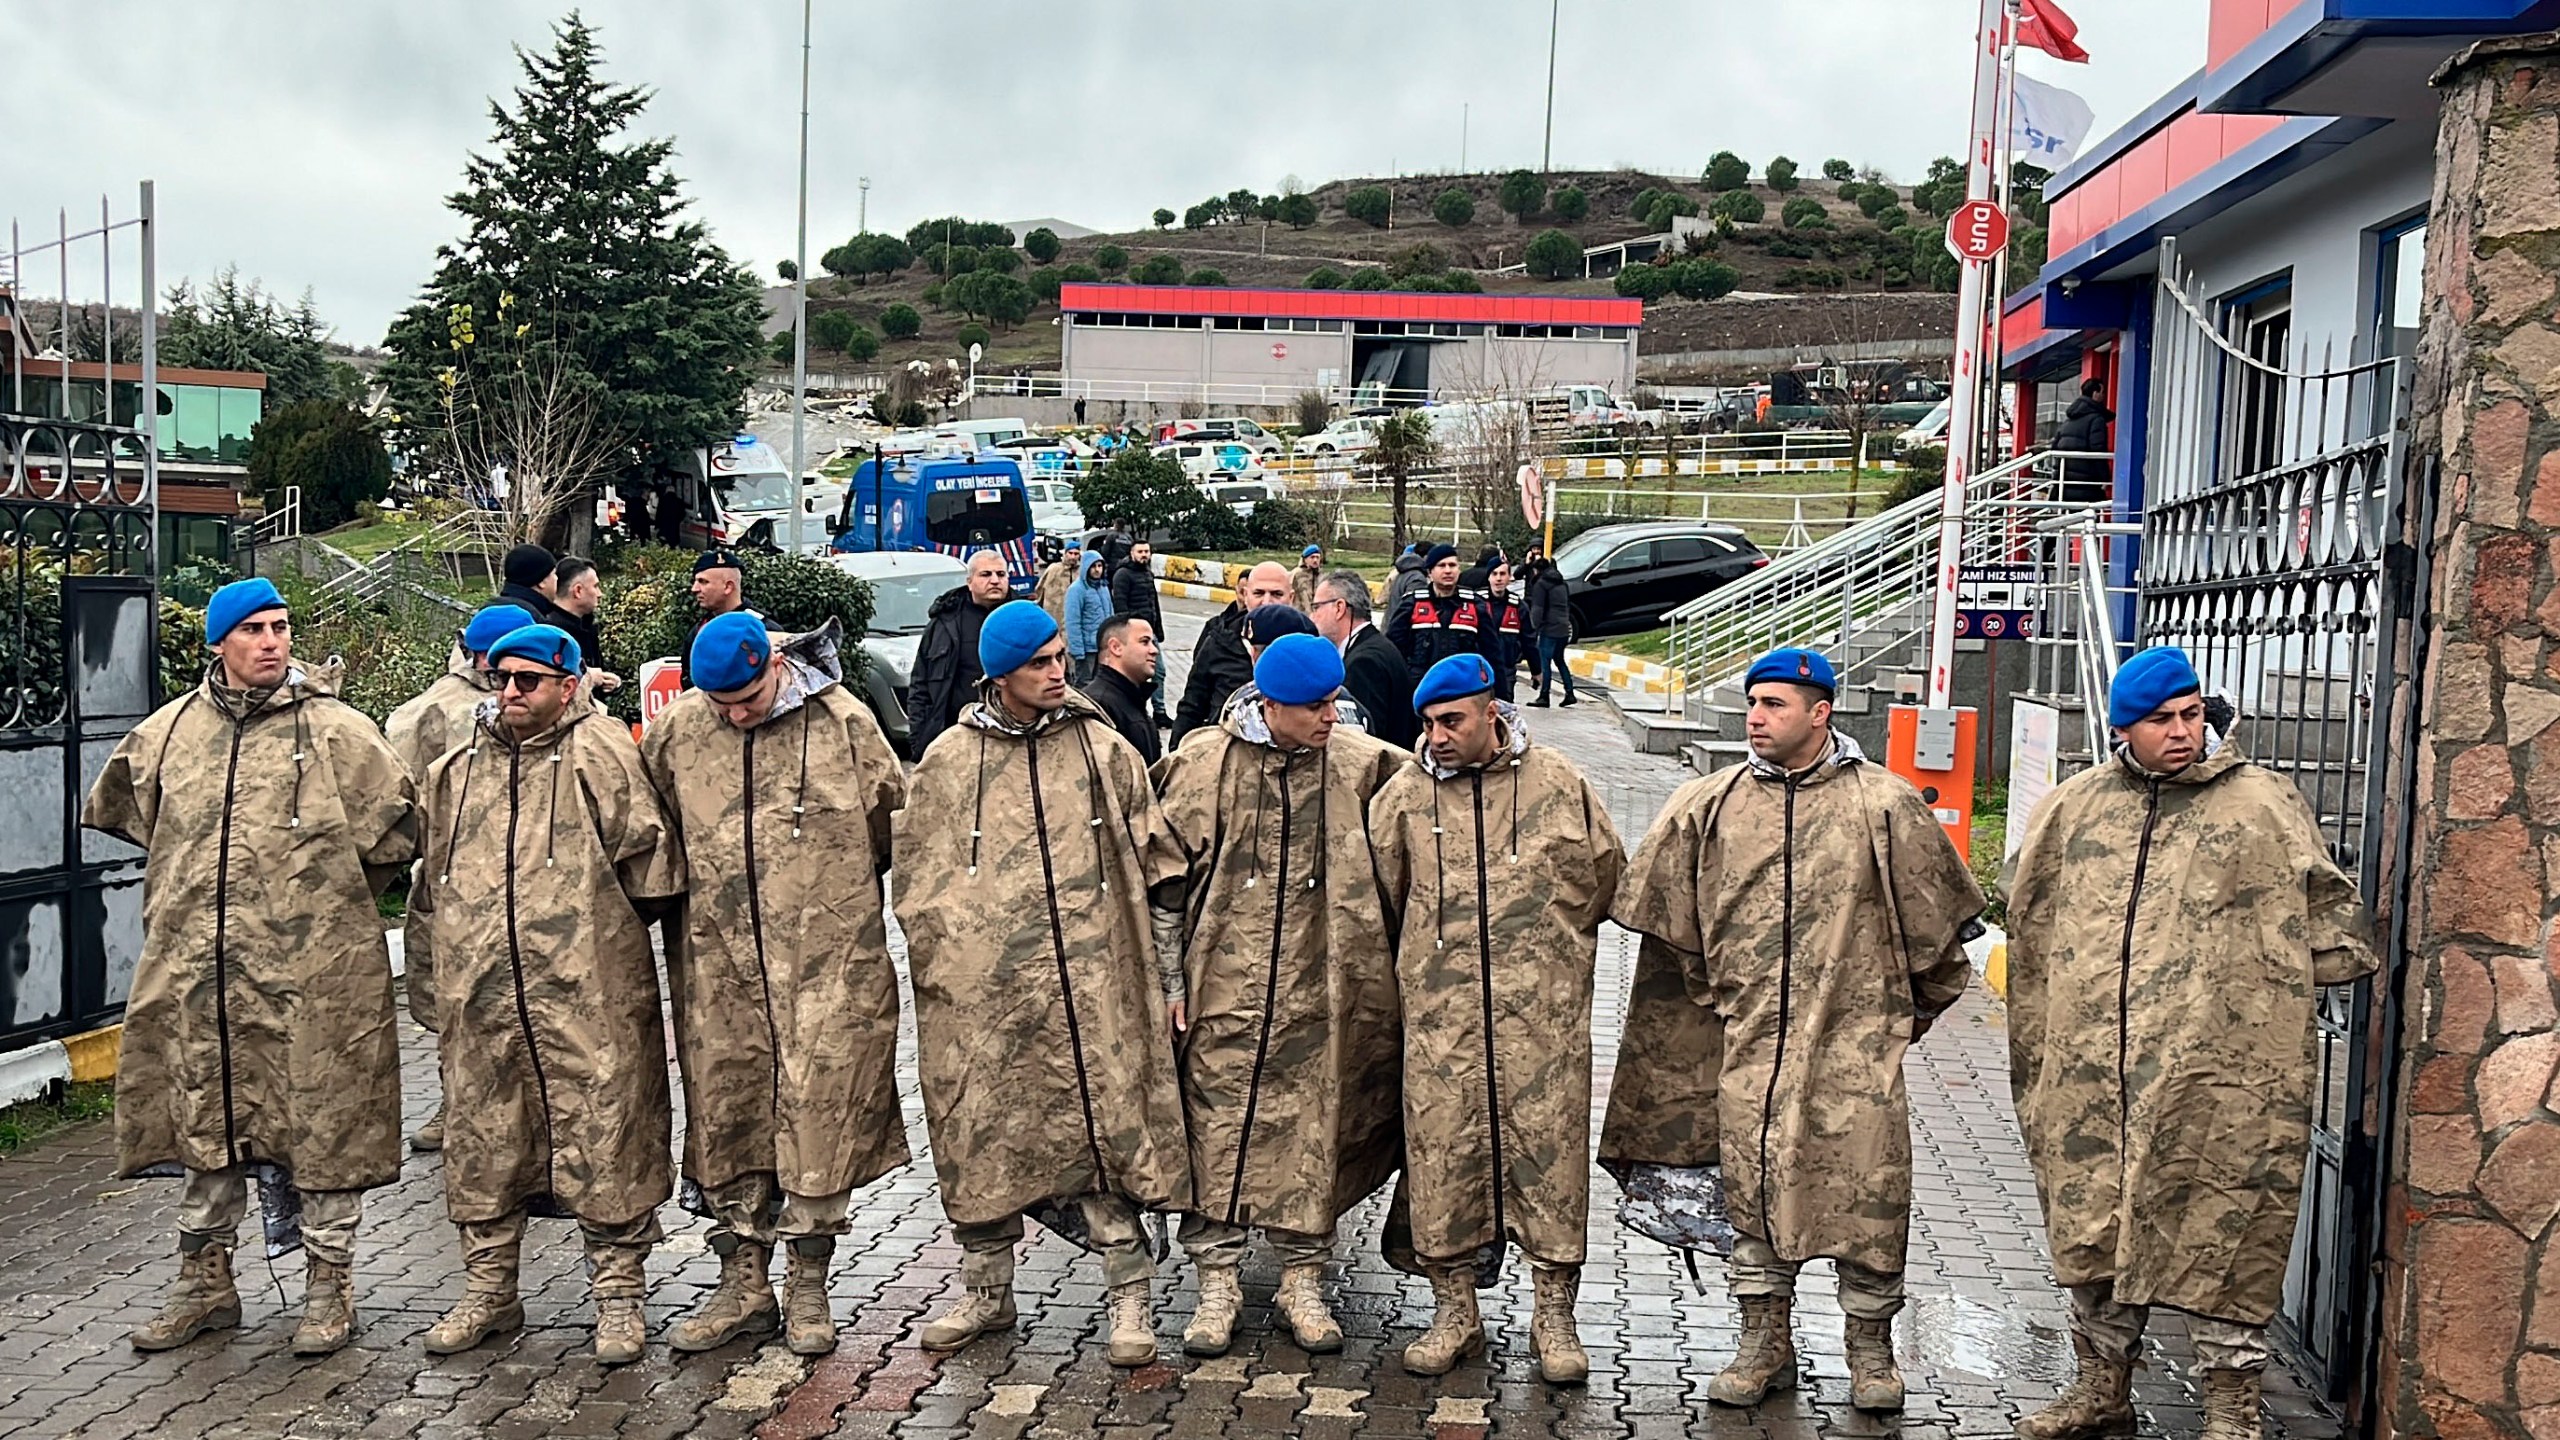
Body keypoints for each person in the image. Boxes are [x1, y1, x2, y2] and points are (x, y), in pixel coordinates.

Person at [2004, 646, 2378, 1440]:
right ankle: (2101, 1389)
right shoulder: (2075, 810)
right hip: (2092, 1068)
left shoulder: (2263, 805)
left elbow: (2338, 932)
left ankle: (2229, 1407)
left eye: (2190, 716)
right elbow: (2030, 927)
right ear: (2122, 730)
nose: (2181, 732)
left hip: (2221, 1074)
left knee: (2226, 1225)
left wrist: (2248, 992)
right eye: (2160, 721)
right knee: (2093, 1222)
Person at [1607, 647, 1984, 1413]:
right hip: (1746, 1052)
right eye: (1752, 702)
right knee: (1753, 1195)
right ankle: (1762, 1343)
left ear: (1821, 712)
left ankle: (1870, 1353)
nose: (1755, 717)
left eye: (1775, 704)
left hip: (1855, 1056)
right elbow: (1671, 941)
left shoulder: (1884, 806)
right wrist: (1722, 1005)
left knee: (1868, 1198)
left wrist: (1887, 1027)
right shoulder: (1708, 807)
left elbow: (1942, 946)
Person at [84, 578, 419, 1357]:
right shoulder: (166, 737)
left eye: (282, 627)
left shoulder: (339, 734)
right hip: (198, 981)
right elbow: (133, 818)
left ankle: (329, 1289)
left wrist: (322, 910)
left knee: (323, 1128)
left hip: (316, 984)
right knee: (205, 1120)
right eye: (254, 630)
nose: (272, 642)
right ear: (218, 643)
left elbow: (398, 834)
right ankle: (204, 1284)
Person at [896, 602, 1188, 1367]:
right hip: (989, 1002)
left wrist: (1164, 975)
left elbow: (1160, 867)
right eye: (1040, 663)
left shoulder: (1103, 750)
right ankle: (987, 1291)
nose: (1059, 672)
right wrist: (951, 970)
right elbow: (919, 886)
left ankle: (1130, 1296)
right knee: (983, 1137)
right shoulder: (951, 764)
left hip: (1096, 991)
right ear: (1000, 674)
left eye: (1062, 656)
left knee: (1107, 1138)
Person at [409, 624, 684, 1366]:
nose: (509, 693)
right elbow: (431, 879)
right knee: (484, 1145)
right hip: (485, 1002)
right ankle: (490, 1291)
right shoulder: (459, 768)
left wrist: (592, 941)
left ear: (570, 684)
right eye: (502, 678)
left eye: (528, 680)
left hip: (587, 998)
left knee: (607, 1139)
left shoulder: (603, 756)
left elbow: (652, 870)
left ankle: (619, 1298)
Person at [641, 614, 909, 1359]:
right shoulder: (679, 734)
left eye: (747, 697)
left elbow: (893, 832)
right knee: (729, 1121)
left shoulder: (844, 725)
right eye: (718, 701)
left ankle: (809, 1279)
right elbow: (655, 837)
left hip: (826, 970)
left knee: (819, 1123)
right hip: (717, 970)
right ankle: (743, 1279)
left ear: (777, 666)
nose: (733, 714)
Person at [1146, 634, 1403, 1358]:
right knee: (1216, 1128)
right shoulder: (1204, 765)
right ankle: (1217, 1279)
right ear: (1269, 705)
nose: (1331, 716)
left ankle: (1301, 1277)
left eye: (1333, 702)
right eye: (1315, 706)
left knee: (1316, 1125)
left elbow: (1431, 805)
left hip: (1322, 989)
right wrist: (1170, 982)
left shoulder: (1358, 764)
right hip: (1221, 987)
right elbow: (1164, 888)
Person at [1370, 654, 1625, 1384]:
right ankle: (1455, 1312)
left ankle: (1555, 1315)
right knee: (1444, 1163)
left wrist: (1554, 965)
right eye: (1427, 723)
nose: (1437, 736)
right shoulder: (1404, 800)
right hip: (1442, 1030)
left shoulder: (1559, 787)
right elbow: (1379, 905)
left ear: (1492, 713)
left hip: (1540, 1031)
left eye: (1452, 721)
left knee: (1550, 1168)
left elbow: (1606, 881)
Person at [384, 601, 536, 1155]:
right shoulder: (434, 712)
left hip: (527, 878)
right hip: (457, 883)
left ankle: (519, 1114)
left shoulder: (543, 700)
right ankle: (460, 1106)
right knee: (458, 1004)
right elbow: (397, 798)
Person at [1171, 561, 1294, 746]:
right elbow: (1192, 706)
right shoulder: (1218, 641)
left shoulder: (1306, 646)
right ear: (1245, 595)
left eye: (1277, 594)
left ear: (1291, 598)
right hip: (1226, 760)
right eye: (1258, 593)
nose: (1267, 602)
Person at [906, 548, 1012, 760]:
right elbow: (920, 683)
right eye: (986, 574)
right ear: (969, 581)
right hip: (954, 738)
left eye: (1001, 574)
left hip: (1010, 736)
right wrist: (919, 737)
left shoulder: (1025, 619)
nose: (994, 580)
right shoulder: (944, 623)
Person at [1314, 569, 1416, 752]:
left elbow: (1362, 740)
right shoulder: (1375, 645)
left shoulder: (1364, 663)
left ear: (1339, 608)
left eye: (1316, 607)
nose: (1312, 616)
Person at [1387, 545, 1482, 690]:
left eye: (1452, 565)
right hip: (1419, 688)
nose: (1448, 570)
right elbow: (1394, 650)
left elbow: (1491, 652)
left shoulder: (1475, 605)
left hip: (1462, 689)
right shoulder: (1412, 603)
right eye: (1441, 566)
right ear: (1430, 572)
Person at [1085, 615, 1163, 765]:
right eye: (1144, 642)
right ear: (1116, 647)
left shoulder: (1132, 698)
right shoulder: (1099, 705)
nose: (1154, 651)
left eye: (1153, 643)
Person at [1111, 540, 1169, 726]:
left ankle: (1159, 711)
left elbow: (1154, 604)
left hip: (1150, 633)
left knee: (1158, 672)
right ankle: (1135, 710)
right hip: (1133, 635)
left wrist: (1158, 629)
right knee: (1136, 673)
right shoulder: (1123, 575)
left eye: (1147, 551)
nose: (1144, 555)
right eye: (1140, 551)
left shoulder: (1147, 574)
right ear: (1132, 553)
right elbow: (1120, 605)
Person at [1523, 552, 1577, 708]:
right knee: (1559, 660)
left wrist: (1533, 627)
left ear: (1537, 570)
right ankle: (1570, 692)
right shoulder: (1562, 583)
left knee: (1544, 661)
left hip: (1549, 628)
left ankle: (1544, 695)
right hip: (1563, 627)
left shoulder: (1541, 584)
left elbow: (1538, 608)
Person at [1468, 559, 1526, 703]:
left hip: (1506, 669)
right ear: (1489, 577)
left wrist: (1536, 669)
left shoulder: (1518, 606)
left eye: (1502, 574)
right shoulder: (1474, 603)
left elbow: (1528, 638)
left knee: (1504, 710)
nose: (1498, 578)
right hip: (1478, 668)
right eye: (1494, 574)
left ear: (1509, 577)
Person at [2052, 377, 2115, 506]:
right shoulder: (2096, 420)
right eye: (2102, 392)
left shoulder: (2068, 421)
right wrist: (2105, 479)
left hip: (2064, 485)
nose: (2103, 396)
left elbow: (2055, 448)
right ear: (2095, 394)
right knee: (2089, 521)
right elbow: (2098, 450)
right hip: (2087, 486)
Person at [550, 555, 608, 680]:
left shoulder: (586, 626)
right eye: (595, 586)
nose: (600, 594)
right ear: (578, 591)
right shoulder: (552, 634)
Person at [1065, 552, 1112, 686]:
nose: (1097, 570)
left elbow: (1110, 614)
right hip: (1086, 650)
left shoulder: (1103, 587)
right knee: (1084, 685)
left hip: (1102, 647)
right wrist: (1077, 651)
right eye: (1093, 566)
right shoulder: (1077, 590)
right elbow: (1072, 622)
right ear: (1086, 567)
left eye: (1099, 566)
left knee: (1100, 684)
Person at [498, 543, 563, 623]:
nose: (556, 578)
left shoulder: (487, 611)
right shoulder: (534, 621)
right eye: (554, 574)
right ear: (542, 582)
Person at [1383, 542, 1431, 624]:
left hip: (1389, 625)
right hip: (1399, 630)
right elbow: (1411, 610)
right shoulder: (1417, 579)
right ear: (1426, 557)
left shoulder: (1403, 571)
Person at [1035, 538, 1080, 622]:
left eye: (1076, 554)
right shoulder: (1054, 569)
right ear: (1065, 554)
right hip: (1054, 613)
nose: (1073, 556)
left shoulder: (1081, 572)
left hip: (1073, 615)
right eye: (1070, 553)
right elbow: (1039, 589)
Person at [1290, 544, 1326, 612]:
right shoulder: (1296, 574)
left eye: (1317, 557)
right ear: (1305, 559)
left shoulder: (1321, 575)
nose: (1315, 560)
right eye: (1312, 557)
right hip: (1298, 612)